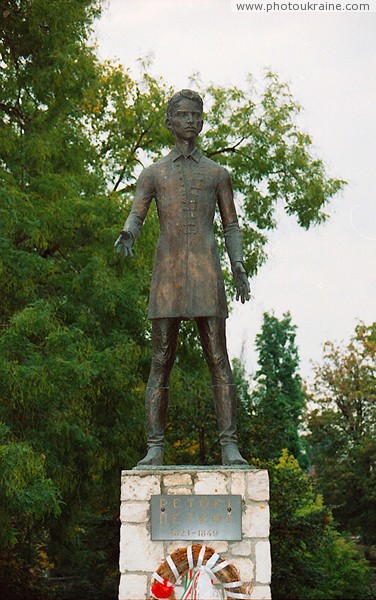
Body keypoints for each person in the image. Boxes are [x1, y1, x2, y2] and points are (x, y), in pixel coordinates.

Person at [114, 89, 250, 466]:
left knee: (219, 359)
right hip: (168, 275)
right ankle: (155, 447)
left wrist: (238, 264)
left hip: (207, 273)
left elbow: (231, 225)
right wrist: (128, 232)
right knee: (161, 360)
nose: (191, 120)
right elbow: (137, 213)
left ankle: (229, 445)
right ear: (169, 122)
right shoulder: (153, 173)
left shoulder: (217, 174)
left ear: (202, 122)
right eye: (183, 115)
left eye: (196, 115)